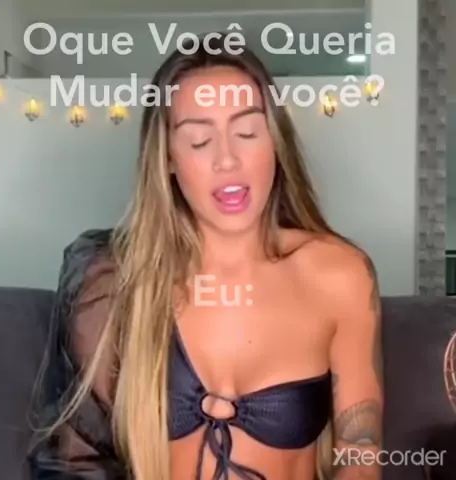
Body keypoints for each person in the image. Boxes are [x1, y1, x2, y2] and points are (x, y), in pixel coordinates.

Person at [27, 34, 384, 480]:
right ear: (168, 159)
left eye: (247, 133)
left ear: (276, 142)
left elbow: (360, 458)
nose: (227, 160)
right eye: (199, 141)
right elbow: (73, 461)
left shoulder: (342, 275)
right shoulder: (110, 279)